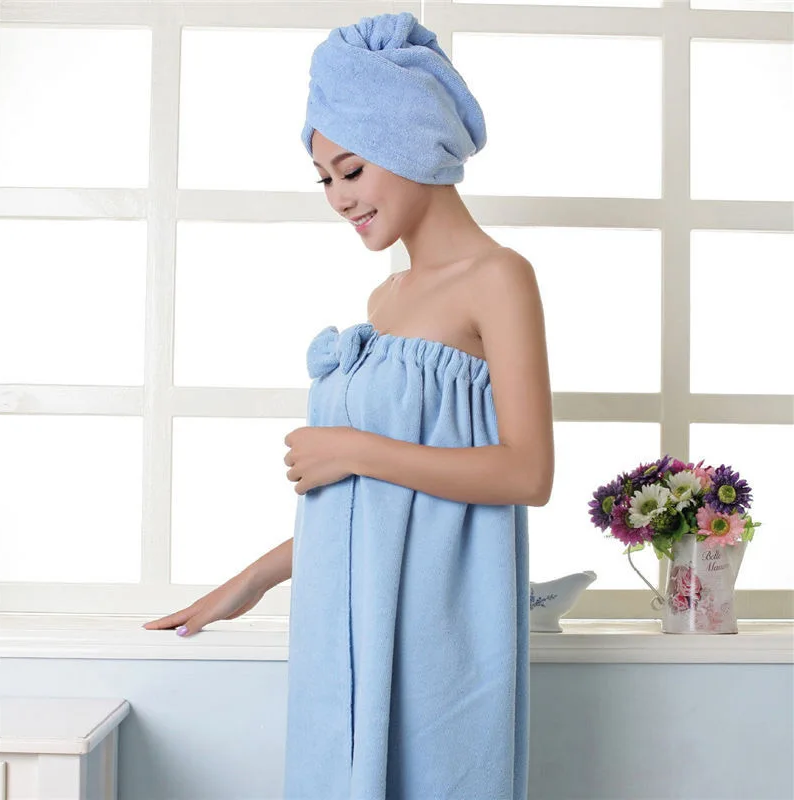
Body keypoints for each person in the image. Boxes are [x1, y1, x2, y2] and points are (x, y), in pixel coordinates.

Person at [143, 11, 554, 800]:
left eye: (352, 170)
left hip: (438, 622)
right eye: (324, 179)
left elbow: (526, 472)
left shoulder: (498, 277)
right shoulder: (384, 300)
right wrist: (251, 582)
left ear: (410, 143)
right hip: (346, 614)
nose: (337, 198)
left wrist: (353, 449)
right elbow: (374, 505)